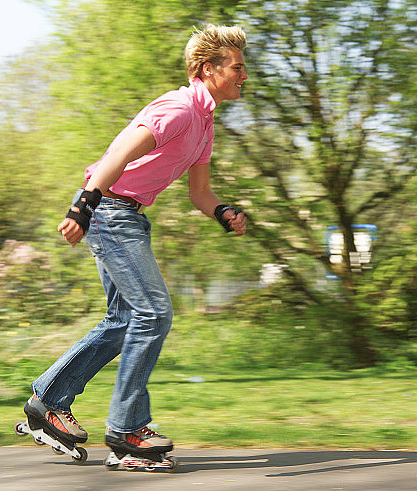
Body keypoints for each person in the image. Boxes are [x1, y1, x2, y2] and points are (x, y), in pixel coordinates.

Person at [22, 24, 249, 464]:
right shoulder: (179, 108)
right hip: (108, 210)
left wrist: (223, 213)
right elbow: (118, 155)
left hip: (126, 215)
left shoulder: (204, 122)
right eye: (237, 67)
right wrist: (82, 207)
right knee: (154, 313)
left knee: (126, 320)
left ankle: (47, 402)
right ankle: (127, 430)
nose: (244, 75)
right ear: (208, 69)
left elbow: (200, 193)